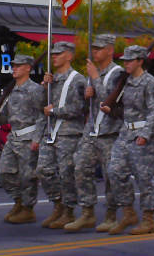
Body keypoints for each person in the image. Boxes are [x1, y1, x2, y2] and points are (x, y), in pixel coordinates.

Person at [65, 34, 124, 233]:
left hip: (110, 133)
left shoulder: (118, 73)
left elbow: (112, 99)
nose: (95, 52)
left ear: (110, 50)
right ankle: (87, 213)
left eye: (99, 48)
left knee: (111, 176)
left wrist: (96, 81)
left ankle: (111, 215)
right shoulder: (93, 73)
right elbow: (86, 105)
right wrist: (87, 93)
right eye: (94, 48)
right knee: (80, 168)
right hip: (91, 132)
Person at [107, 45, 154, 235]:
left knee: (144, 177)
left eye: (130, 60)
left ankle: (148, 219)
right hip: (125, 132)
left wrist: (145, 134)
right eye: (124, 60)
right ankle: (128, 212)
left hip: (144, 135)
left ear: (140, 61)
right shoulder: (125, 82)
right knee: (114, 171)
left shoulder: (151, 83)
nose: (126, 64)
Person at [0, 54, 44, 223]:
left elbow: (42, 116)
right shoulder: (10, 91)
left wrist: (37, 139)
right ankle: (19, 202)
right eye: (14, 65)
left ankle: (28, 209)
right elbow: (4, 117)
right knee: (4, 172)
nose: (15, 68)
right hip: (13, 137)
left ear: (28, 68)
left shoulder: (35, 90)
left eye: (19, 65)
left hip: (29, 137)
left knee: (28, 177)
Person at [37, 42, 86, 229]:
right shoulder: (53, 80)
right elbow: (40, 105)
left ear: (69, 56)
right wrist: (44, 86)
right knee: (43, 169)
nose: (54, 57)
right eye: (53, 54)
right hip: (51, 132)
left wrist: (55, 111)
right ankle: (57, 204)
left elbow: (79, 108)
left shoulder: (78, 80)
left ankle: (69, 210)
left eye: (59, 54)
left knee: (66, 173)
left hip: (69, 133)